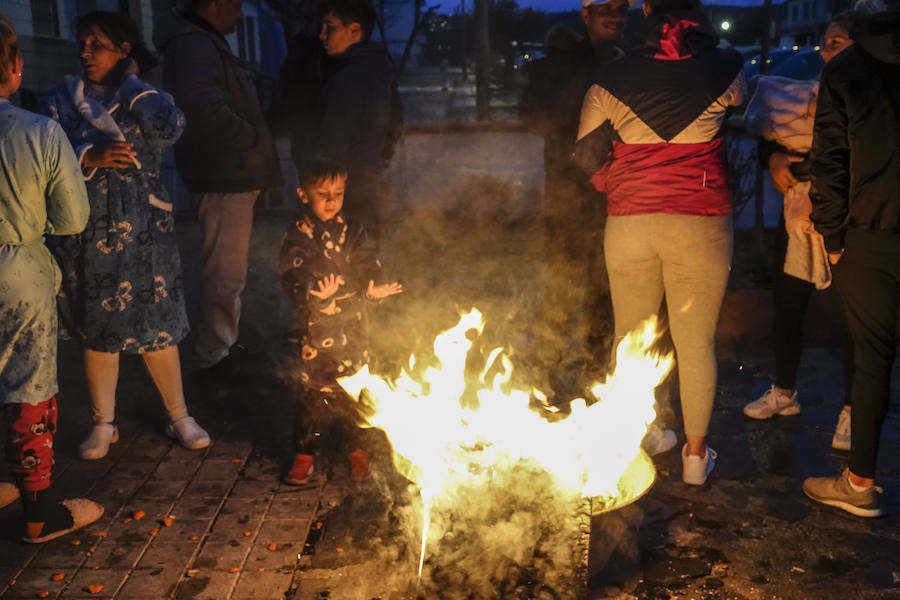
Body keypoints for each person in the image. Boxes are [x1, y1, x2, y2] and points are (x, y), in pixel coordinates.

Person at [575, 0, 745, 485]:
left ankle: (635, 441)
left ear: (646, 10)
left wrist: (623, 185)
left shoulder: (612, 76)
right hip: (700, 223)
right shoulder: (726, 66)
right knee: (695, 343)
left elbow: (584, 153)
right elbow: (748, 113)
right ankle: (695, 458)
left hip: (629, 224)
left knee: (629, 335)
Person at [39, 11, 210, 459]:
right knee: (99, 327)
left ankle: (179, 415)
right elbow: (45, 153)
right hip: (89, 232)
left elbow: (171, 128)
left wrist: (132, 84)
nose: (85, 52)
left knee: (158, 323)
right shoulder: (60, 101)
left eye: (97, 44)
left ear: (124, 51)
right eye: (82, 43)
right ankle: (103, 423)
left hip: (146, 234)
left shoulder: (146, 97)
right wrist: (89, 155)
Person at [0, 16, 104, 542]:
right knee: (29, 390)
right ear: (15, 68)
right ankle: (38, 515)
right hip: (20, 277)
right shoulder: (40, 131)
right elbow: (71, 219)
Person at [741, 12, 858, 455]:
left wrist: (811, 168)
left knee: (852, 318)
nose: (826, 52)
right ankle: (785, 391)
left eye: (837, 43)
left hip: (846, 221)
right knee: (788, 306)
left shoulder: (873, 96)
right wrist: (773, 158)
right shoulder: (805, 94)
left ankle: (854, 409)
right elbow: (771, 140)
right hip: (797, 218)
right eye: (825, 43)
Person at [803, 1, 899, 518]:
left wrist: (832, 234)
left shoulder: (846, 70)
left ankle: (859, 482)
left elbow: (831, 160)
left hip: (868, 236)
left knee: (872, 359)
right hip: (868, 234)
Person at [154, 0, 281, 371]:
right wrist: (251, 139)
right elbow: (203, 108)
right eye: (236, 4)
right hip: (224, 174)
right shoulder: (195, 44)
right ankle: (214, 354)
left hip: (225, 172)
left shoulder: (199, 41)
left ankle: (223, 343)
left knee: (228, 272)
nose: (240, 14)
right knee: (225, 274)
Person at [519, 0, 627, 401]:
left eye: (621, 10)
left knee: (602, 291)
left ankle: (594, 375)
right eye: (605, 10)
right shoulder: (558, 66)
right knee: (559, 288)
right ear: (586, 15)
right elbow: (530, 117)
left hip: (612, 199)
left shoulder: (626, 65)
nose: (614, 17)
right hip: (565, 199)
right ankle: (545, 374)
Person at [278, 156, 402, 484]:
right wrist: (316, 292)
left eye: (338, 193)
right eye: (323, 194)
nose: (332, 201)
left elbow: (367, 261)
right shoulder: (299, 234)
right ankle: (304, 454)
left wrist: (373, 287)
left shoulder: (352, 229)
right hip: (317, 332)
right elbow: (292, 271)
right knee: (313, 397)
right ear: (303, 195)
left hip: (353, 327)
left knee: (354, 392)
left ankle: (357, 449)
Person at [309, 0, 402, 243]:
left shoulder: (349, 79)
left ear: (354, 30)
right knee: (365, 254)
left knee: (346, 258)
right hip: (369, 185)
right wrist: (377, 163)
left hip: (345, 194)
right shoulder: (379, 69)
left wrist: (319, 189)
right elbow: (395, 125)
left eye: (330, 27)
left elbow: (331, 145)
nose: (322, 35)